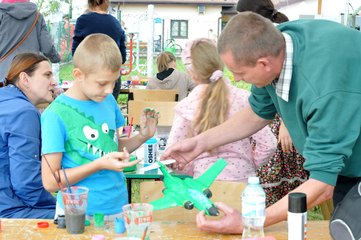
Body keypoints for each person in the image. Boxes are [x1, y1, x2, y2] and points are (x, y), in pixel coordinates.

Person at [162, 12, 361, 233]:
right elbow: (257, 112)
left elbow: (322, 185)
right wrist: (200, 143)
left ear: (263, 63)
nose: (236, 79)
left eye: (240, 73)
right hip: (347, 163)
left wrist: (252, 220)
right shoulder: (278, 43)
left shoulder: (324, 91)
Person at [41, 34, 159, 218]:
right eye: (102, 83)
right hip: (78, 215)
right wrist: (99, 165)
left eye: (114, 81)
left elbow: (110, 148)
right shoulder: (55, 115)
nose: (110, 90)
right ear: (78, 75)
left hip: (117, 207)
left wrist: (142, 136)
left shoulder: (108, 100)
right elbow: (50, 181)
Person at [167, 38, 276, 181]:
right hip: (242, 182)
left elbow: (173, 154)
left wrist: (192, 170)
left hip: (204, 184)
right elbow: (269, 143)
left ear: (191, 72)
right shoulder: (245, 99)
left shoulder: (187, 105)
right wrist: (249, 164)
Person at [236, 0, 308, 207]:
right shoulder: (259, 43)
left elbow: (294, 85)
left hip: (286, 119)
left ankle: (279, 206)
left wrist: (287, 123)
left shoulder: (277, 40)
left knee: (276, 156)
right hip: (274, 115)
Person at [0, 52, 57, 218]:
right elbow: (26, 184)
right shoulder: (23, 112)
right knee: (83, 218)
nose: (54, 81)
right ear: (24, 79)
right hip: (10, 210)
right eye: (47, 75)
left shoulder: (6, 101)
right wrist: (61, 207)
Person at [72, 0, 126, 101]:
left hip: (90, 77)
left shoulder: (83, 20)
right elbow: (122, 57)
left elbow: (76, 53)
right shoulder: (115, 23)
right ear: (107, 3)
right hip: (111, 78)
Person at [0, 0, 60, 83]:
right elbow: (47, 47)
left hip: (4, 73)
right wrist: (55, 59)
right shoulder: (37, 16)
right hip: (31, 72)